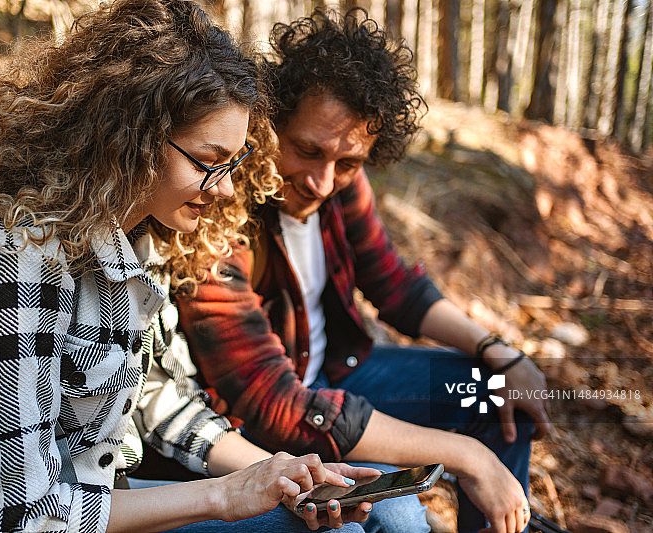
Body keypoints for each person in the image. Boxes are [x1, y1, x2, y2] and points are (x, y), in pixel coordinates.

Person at [0, 1, 381, 531]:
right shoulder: (11, 262)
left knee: (373, 514)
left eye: (235, 161)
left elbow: (158, 400)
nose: (226, 188)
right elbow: (13, 517)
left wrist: (281, 476)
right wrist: (223, 497)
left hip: (101, 499)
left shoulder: (133, 242)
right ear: (130, 138)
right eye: (209, 161)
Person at [174, 8, 552, 533]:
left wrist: (497, 351)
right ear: (270, 122)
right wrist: (466, 454)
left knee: (493, 391)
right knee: (400, 520)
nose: (324, 182)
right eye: (308, 151)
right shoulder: (220, 217)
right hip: (273, 420)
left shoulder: (340, 182)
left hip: (341, 372)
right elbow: (273, 402)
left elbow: (394, 284)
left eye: (348, 162)